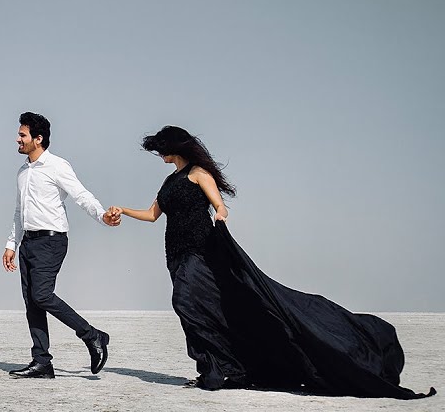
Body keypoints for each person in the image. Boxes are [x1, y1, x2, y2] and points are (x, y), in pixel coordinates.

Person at [110, 125, 435, 398]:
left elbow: (219, 206)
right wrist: (122, 210)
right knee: (204, 311)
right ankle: (223, 370)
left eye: (162, 149)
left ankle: (213, 371)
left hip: (202, 250)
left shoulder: (199, 174)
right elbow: (153, 215)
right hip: (175, 253)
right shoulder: (169, 181)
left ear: (174, 147)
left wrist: (221, 217)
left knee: (185, 303)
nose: (160, 155)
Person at [4, 111, 118, 379]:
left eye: (22, 135)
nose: (17, 139)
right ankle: (42, 362)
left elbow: (81, 195)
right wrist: (11, 243)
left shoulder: (57, 166)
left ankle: (93, 336)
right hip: (28, 243)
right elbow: (19, 211)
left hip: (51, 241)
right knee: (32, 303)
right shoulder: (23, 172)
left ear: (38, 139)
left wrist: (102, 216)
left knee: (42, 295)